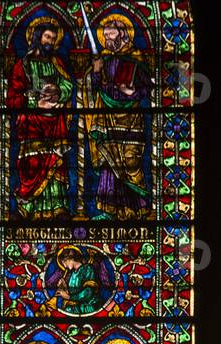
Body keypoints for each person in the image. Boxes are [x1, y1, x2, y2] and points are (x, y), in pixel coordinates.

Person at [83, 15, 152, 218]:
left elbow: (147, 88)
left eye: (111, 35)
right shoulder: (104, 61)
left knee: (130, 163)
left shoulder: (136, 59)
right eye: (105, 37)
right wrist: (95, 72)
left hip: (131, 121)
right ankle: (109, 211)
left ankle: (136, 209)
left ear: (123, 34)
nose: (107, 40)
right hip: (107, 118)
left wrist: (133, 93)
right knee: (108, 164)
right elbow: (96, 88)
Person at [7, 19, 73, 219]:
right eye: (46, 37)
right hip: (32, 122)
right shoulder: (23, 65)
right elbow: (13, 96)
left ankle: (58, 207)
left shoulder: (57, 63)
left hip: (54, 122)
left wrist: (57, 93)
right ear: (36, 38)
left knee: (56, 162)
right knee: (33, 162)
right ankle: (28, 207)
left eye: (53, 39)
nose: (50, 42)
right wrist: (33, 99)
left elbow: (68, 86)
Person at [45, 247, 105, 315]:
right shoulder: (72, 274)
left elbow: (88, 292)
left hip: (89, 306)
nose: (64, 266)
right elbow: (73, 293)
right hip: (76, 308)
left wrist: (68, 297)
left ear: (70, 258)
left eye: (64, 262)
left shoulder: (88, 269)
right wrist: (64, 286)